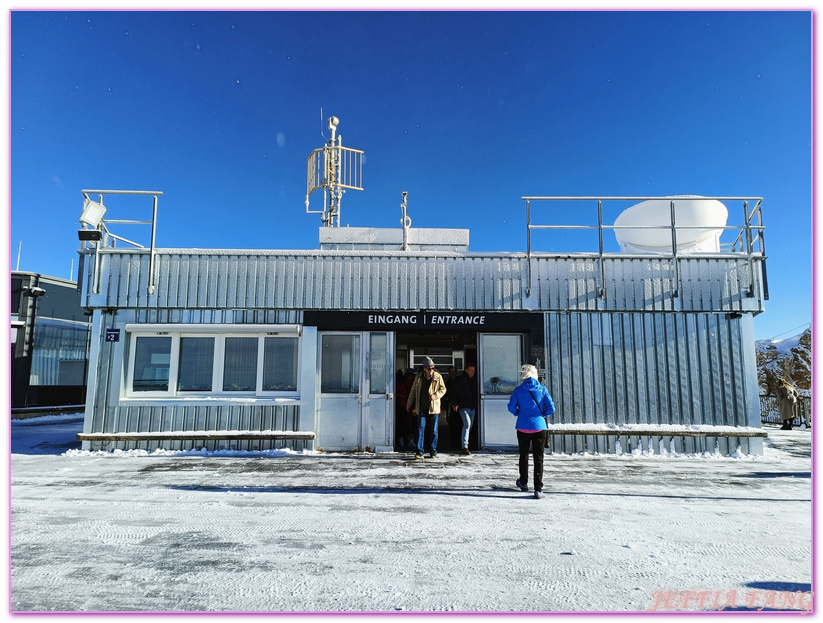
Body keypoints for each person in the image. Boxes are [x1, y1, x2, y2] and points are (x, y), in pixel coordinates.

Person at [507, 364, 555, 499]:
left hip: (522, 427)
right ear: (536, 375)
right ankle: (538, 490)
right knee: (538, 459)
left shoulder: (518, 390)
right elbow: (551, 408)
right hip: (539, 427)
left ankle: (523, 482)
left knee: (524, 456)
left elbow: (511, 407)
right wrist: (542, 415)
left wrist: (518, 413)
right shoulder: (542, 389)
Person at [406, 357, 447, 459]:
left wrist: (435, 395)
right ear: (424, 368)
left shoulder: (438, 377)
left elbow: (443, 389)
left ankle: (433, 451)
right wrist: (409, 403)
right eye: (429, 369)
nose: (431, 371)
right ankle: (420, 452)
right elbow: (413, 391)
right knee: (420, 429)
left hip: (433, 408)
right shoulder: (419, 378)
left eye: (433, 368)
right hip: (422, 408)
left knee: (434, 430)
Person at [452, 364, 478, 455]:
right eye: (471, 370)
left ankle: (465, 443)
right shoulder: (461, 380)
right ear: (466, 370)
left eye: (474, 371)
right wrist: (455, 403)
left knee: (469, 426)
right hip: (463, 406)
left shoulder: (474, 380)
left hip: (472, 406)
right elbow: (454, 391)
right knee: (467, 424)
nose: (473, 372)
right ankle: (464, 446)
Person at [444, 366, 462, 451]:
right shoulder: (447, 383)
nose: (453, 374)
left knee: (460, 425)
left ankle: (459, 443)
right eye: (451, 372)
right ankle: (453, 443)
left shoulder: (459, 382)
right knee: (452, 426)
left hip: (459, 407)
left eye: (454, 372)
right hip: (450, 408)